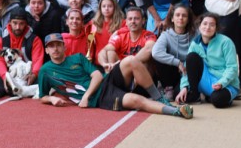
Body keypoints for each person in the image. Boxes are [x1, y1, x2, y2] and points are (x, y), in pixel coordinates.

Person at [38, 33, 193, 119]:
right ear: (46, 50)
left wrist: (85, 96)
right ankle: (175, 111)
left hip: (104, 82)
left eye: (58, 45)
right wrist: (52, 98)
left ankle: (159, 97)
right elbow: (42, 96)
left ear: (64, 46)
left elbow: (97, 75)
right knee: (136, 100)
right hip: (101, 97)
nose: (55, 49)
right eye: (51, 46)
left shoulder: (77, 58)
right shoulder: (45, 71)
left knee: (131, 60)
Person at [176, 13, 240, 108]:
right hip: (205, 78)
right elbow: (187, 69)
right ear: (199, 26)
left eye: (212, 24)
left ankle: (219, 97)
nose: (208, 27)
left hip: (225, 83)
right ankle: (195, 94)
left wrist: (222, 83)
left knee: (217, 100)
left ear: (216, 28)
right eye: (205, 23)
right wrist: (184, 87)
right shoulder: (195, 44)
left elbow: (232, 68)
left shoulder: (226, 42)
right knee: (178, 93)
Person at [0, 7, 44, 95]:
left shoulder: (35, 40)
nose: (18, 27)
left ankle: (13, 90)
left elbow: (37, 60)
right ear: (9, 22)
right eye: (15, 23)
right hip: (8, 72)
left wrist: (34, 74)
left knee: (42, 78)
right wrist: (5, 77)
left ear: (26, 24)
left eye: (21, 24)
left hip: (27, 72)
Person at [152, 4, 196, 101]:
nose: (180, 18)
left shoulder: (195, 35)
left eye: (184, 15)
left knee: (182, 96)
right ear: (172, 19)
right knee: (159, 56)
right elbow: (155, 53)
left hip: (189, 71)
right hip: (174, 72)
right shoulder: (166, 35)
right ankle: (168, 87)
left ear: (188, 20)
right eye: (177, 15)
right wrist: (178, 63)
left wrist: (184, 65)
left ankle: (191, 89)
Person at [90, 0, 126, 66]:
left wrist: (117, 32)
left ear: (114, 8)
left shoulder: (122, 22)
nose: (106, 8)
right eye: (104, 6)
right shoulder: (94, 23)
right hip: (99, 60)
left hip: (115, 58)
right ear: (100, 8)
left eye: (109, 6)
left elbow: (129, 28)